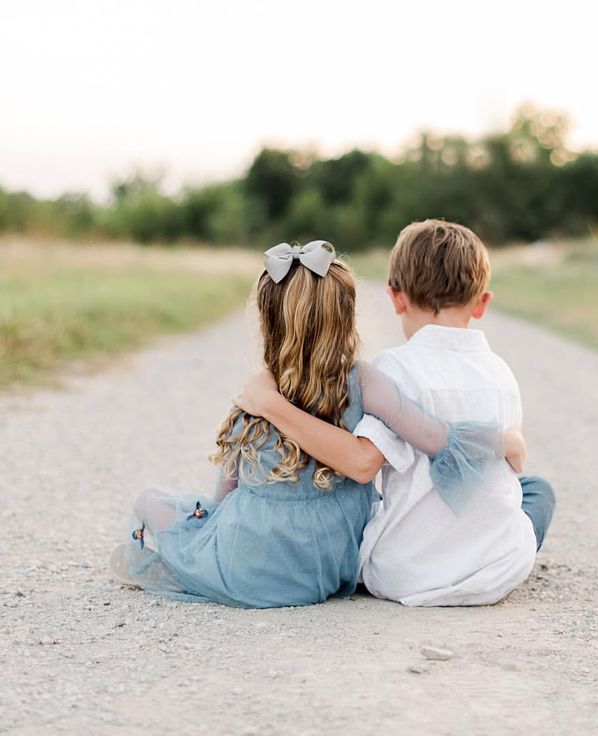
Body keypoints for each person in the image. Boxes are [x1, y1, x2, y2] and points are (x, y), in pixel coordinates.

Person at [110, 239, 523, 608]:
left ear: (268, 323)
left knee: (154, 501)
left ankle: (160, 559)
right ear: (346, 317)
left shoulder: (256, 395)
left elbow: (223, 497)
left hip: (245, 565)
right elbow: (436, 437)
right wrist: (505, 441)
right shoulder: (365, 381)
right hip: (329, 571)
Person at [237, 220, 555, 607]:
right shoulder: (501, 373)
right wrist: (510, 441)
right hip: (493, 575)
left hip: (400, 574)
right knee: (537, 490)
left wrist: (273, 406)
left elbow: (361, 460)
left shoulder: (392, 369)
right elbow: (508, 462)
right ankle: (491, 549)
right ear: (482, 303)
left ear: (396, 298)